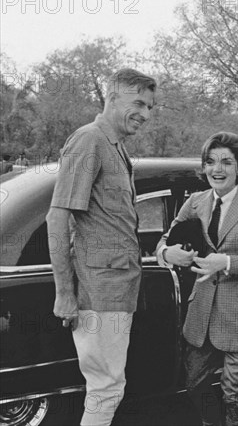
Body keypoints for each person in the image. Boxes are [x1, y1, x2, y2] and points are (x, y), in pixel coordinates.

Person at [46, 68, 156, 426]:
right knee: (106, 388)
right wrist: (64, 293)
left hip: (116, 289)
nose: (145, 113)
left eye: (150, 106)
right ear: (112, 97)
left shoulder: (116, 147)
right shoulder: (88, 140)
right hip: (98, 291)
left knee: (108, 387)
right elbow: (57, 219)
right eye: (138, 102)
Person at [156, 132, 238, 426]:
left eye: (226, 162)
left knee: (233, 396)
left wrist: (225, 262)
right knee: (195, 385)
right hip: (201, 316)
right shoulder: (195, 202)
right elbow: (165, 239)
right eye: (210, 162)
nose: (217, 169)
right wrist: (167, 252)